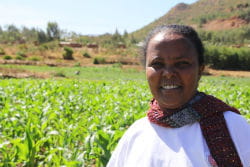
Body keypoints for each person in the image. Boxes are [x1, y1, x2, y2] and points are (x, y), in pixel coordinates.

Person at [106, 25, 250, 167]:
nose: (168, 73)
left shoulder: (232, 126)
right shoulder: (136, 133)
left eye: (182, 63)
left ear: (200, 70)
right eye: (157, 63)